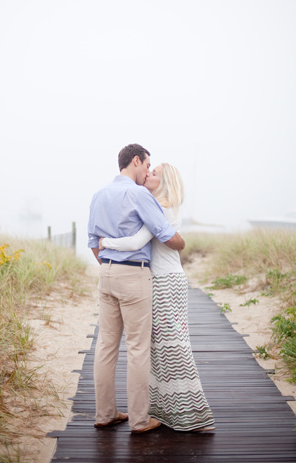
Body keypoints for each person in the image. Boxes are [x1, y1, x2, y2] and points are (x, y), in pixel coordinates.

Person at [99, 163, 215, 432]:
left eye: (155, 173)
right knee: (161, 347)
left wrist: (105, 243)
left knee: (172, 346)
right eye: (149, 170)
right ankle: (164, 408)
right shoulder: (160, 204)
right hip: (165, 279)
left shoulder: (160, 206)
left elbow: (136, 242)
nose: (148, 174)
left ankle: (194, 414)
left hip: (164, 282)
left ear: (165, 182)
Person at [87, 144, 185, 434]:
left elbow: (94, 242)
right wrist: (182, 243)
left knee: (106, 346)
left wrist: (109, 265)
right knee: (138, 349)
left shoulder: (99, 194)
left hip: (106, 274)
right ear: (136, 161)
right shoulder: (140, 194)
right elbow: (165, 234)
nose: (147, 172)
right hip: (134, 276)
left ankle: (104, 414)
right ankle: (139, 420)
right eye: (146, 165)